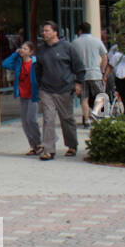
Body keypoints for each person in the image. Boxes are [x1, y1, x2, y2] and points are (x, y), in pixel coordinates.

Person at [36, 20, 84, 160]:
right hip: (46, 89)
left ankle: (72, 145)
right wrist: (40, 85)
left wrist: (78, 83)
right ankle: (49, 149)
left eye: (47, 31)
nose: (44, 33)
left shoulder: (67, 47)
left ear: (55, 32)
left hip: (64, 88)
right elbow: (38, 69)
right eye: (43, 31)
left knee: (67, 118)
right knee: (48, 118)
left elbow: (79, 67)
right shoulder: (41, 49)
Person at [2, 40, 42, 155]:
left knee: (32, 120)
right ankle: (33, 146)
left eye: (25, 49)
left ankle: (39, 143)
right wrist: (15, 53)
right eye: (22, 48)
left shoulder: (35, 63)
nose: (22, 50)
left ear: (31, 52)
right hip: (23, 95)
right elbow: (5, 64)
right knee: (25, 122)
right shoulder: (18, 63)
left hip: (33, 95)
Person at [71, 22, 109, 127]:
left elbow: (72, 59)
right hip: (95, 73)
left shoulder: (75, 43)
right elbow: (105, 57)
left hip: (81, 75)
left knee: (84, 98)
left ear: (80, 31)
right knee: (101, 95)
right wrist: (102, 70)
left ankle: (86, 120)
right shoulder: (97, 41)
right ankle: (100, 116)